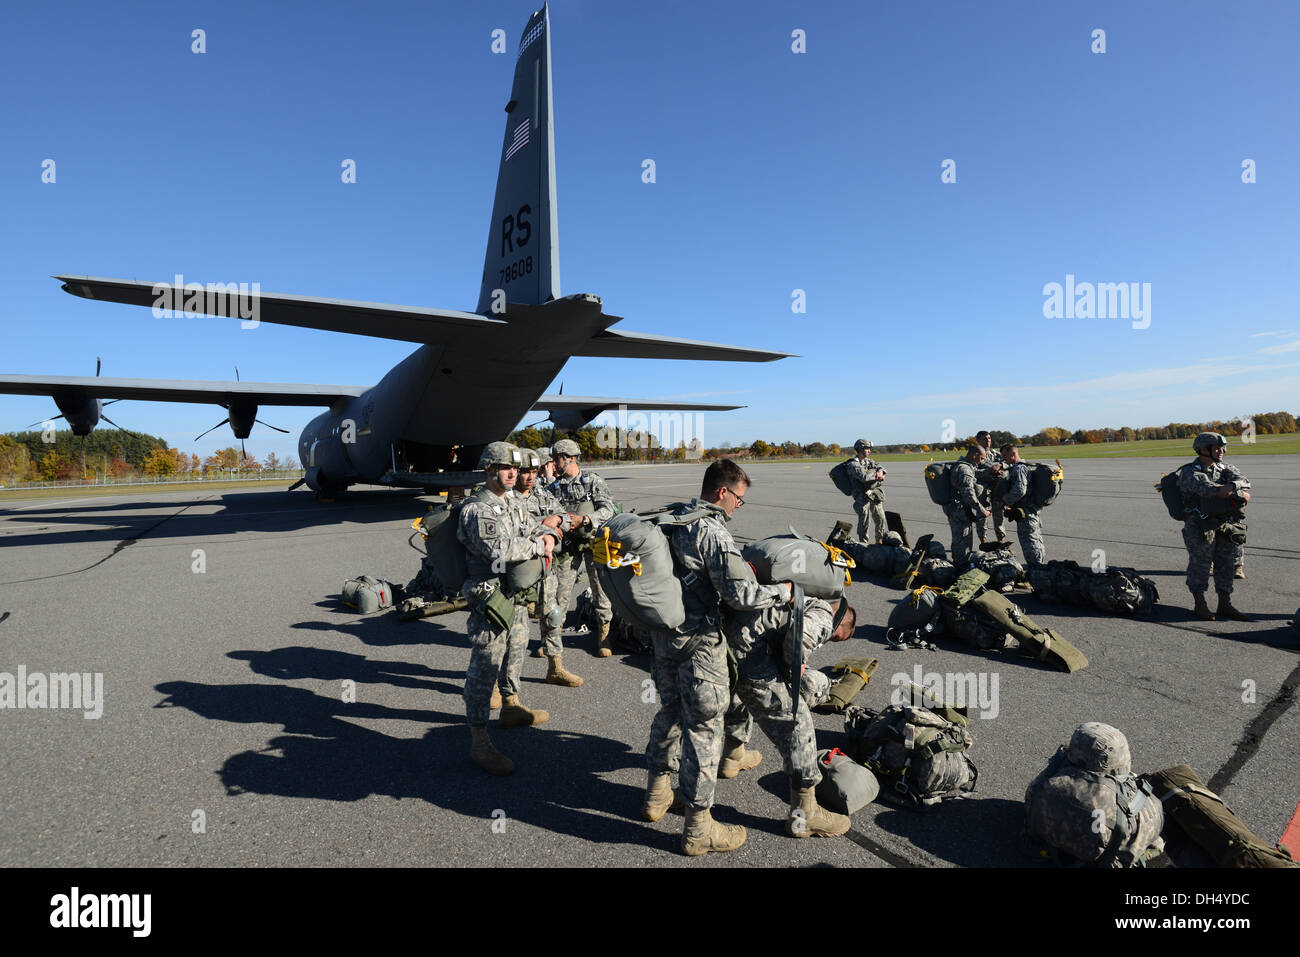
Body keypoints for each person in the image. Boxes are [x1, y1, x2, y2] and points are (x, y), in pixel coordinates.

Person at [642, 459, 792, 856]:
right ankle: (698, 829)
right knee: (705, 733)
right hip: (700, 648)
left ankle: (657, 795)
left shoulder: (671, 519)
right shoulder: (711, 531)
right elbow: (741, 597)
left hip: (664, 641)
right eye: (739, 499)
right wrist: (784, 592)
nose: (738, 506)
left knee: (670, 712)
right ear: (722, 491)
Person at [458, 442, 563, 776]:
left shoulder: (515, 500)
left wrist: (549, 535)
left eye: (515, 468)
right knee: (486, 664)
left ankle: (512, 705)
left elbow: (536, 524)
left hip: (514, 591)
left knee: (516, 649)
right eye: (505, 468)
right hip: (489, 594)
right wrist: (538, 545)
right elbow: (498, 549)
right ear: (489, 469)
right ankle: (479, 741)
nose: (513, 474)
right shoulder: (477, 509)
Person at [721, 595, 856, 838]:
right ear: (841, 624)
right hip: (752, 654)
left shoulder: (805, 592)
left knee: (739, 695)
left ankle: (733, 756)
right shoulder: (825, 612)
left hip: (726, 643)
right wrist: (793, 667)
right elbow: (800, 639)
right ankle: (805, 815)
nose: (830, 640)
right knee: (798, 725)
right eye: (835, 637)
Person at [516, 449, 583, 687]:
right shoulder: (506, 498)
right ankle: (500, 685)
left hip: (545, 570)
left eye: (534, 472)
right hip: (517, 574)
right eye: (525, 472)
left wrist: (556, 520)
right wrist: (544, 529)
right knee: (515, 632)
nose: (530, 477)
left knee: (553, 617)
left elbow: (565, 516)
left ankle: (556, 668)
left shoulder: (540, 493)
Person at [546, 438, 618, 656]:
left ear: (570, 458)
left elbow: (609, 509)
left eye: (558, 458)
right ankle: (553, 640)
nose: (554, 463)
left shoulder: (592, 481)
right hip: (569, 546)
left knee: (600, 591)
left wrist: (586, 519)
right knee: (560, 593)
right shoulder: (554, 486)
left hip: (594, 543)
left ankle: (604, 636)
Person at [1178, 432, 1251, 622]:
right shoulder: (1189, 471)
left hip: (1224, 524)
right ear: (1203, 449)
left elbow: (1245, 482)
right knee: (1200, 565)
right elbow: (1210, 490)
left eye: (1222, 447)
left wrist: (1233, 488)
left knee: (1226, 564)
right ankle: (1200, 604)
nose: (1222, 451)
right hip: (1200, 526)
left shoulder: (1224, 468)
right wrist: (1234, 492)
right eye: (1216, 448)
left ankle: (1224, 604)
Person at [999, 444, 1045, 565]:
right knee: (1035, 540)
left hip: (1027, 513)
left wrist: (1005, 500)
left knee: (1030, 543)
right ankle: (1038, 568)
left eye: (1005, 455)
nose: (1004, 459)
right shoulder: (1026, 466)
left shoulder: (1019, 468)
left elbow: (1020, 490)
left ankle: (1036, 570)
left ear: (1013, 454)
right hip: (1030, 510)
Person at [944, 446, 989, 565]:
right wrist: (981, 510)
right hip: (959, 510)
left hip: (955, 508)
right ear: (974, 455)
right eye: (981, 458)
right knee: (963, 540)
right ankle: (960, 566)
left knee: (959, 538)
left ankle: (959, 563)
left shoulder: (960, 465)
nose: (981, 462)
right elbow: (968, 494)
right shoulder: (965, 469)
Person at [847, 438, 887, 544]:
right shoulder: (853, 464)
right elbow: (864, 477)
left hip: (873, 494)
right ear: (860, 449)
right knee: (865, 521)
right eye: (867, 448)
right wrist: (877, 474)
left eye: (870, 448)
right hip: (861, 497)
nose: (869, 450)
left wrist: (880, 470)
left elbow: (880, 467)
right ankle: (863, 544)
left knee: (880, 518)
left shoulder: (869, 461)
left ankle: (879, 541)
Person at [974, 431, 1006, 543]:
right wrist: (989, 471)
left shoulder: (994, 453)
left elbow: (1007, 462)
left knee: (999, 513)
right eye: (985, 439)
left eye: (989, 438)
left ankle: (1001, 540)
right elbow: (970, 471)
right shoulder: (974, 454)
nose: (988, 440)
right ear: (978, 440)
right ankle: (983, 540)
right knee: (982, 513)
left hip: (996, 487)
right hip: (982, 488)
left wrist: (1000, 465)